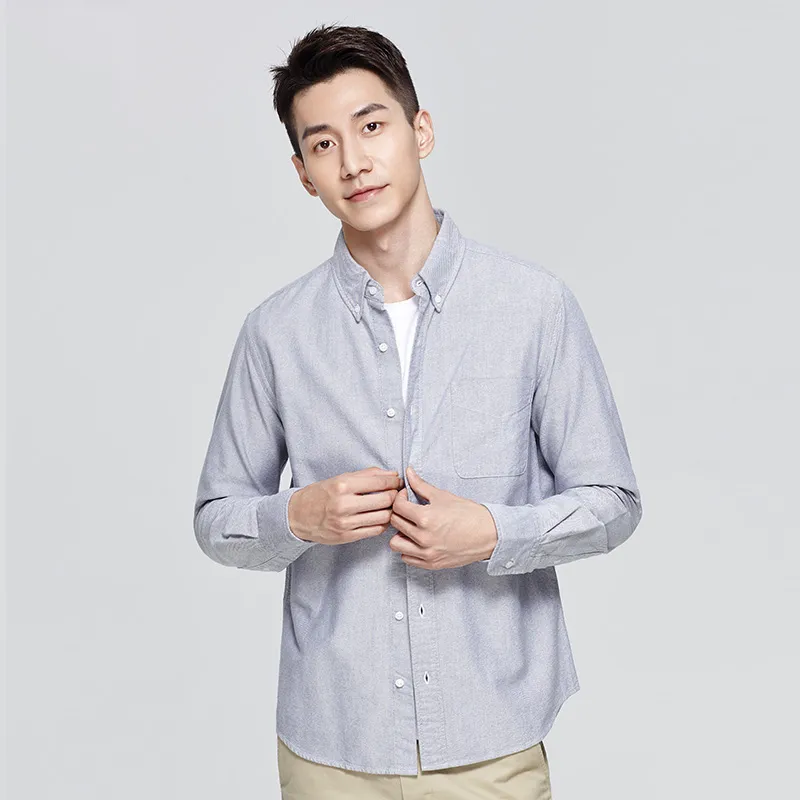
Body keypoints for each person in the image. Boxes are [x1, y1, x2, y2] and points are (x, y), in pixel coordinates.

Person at [193, 22, 643, 799]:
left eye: (372, 126)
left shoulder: (532, 307)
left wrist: (493, 532)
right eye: (324, 144)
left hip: (490, 743)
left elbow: (614, 501)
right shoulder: (275, 332)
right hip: (331, 747)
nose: (353, 161)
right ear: (303, 174)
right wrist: (297, 516)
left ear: (420, 131)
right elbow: (215, 516)